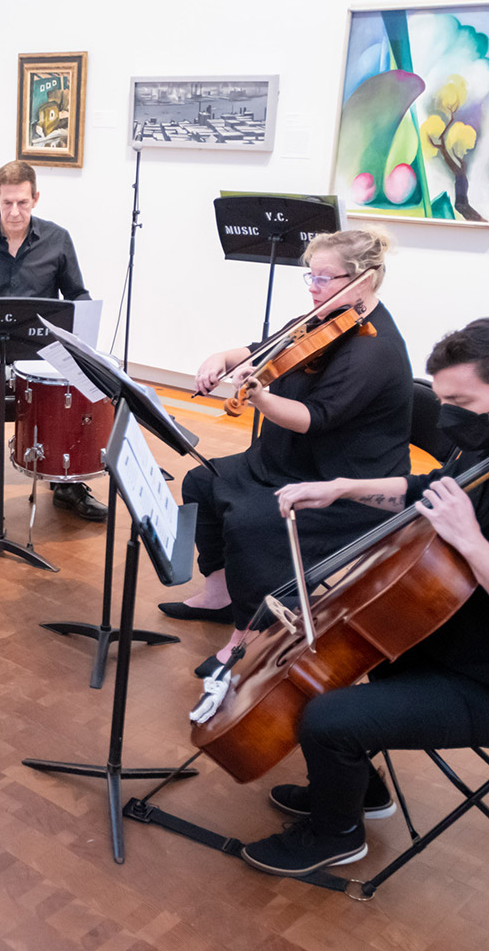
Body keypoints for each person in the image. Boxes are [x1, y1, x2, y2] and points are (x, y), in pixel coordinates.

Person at [239, 316, 489, 876]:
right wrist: (345, 487)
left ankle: (336, 834)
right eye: (441, 398)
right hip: (454, 639)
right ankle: (354, 792)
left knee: (327, 717)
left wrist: (470, 539)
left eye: (461, 399)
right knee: (324, 665)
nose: (449, 416)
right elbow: (428, 491)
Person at [162, 228, 412, 675]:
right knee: (202, 482)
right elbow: (264, 349)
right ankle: (220, 594)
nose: (313, 288)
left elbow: (314, 417)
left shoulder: (374, 350)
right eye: (310, 277)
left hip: (342, 482)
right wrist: (223, 357)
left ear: (364, 279)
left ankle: (251, 635)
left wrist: (260, 398)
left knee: (255, 522)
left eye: (323, 278)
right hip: (288, 460)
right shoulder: (324, 317)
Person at [0, 159, 105, 522]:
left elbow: (77, 294)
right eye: (7, 203)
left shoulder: (58, 240)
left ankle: (67, 482)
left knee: (82, 382)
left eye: (22, 203)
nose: (14, 212)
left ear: (36, 199)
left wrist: (88, 328)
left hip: (39, 352)